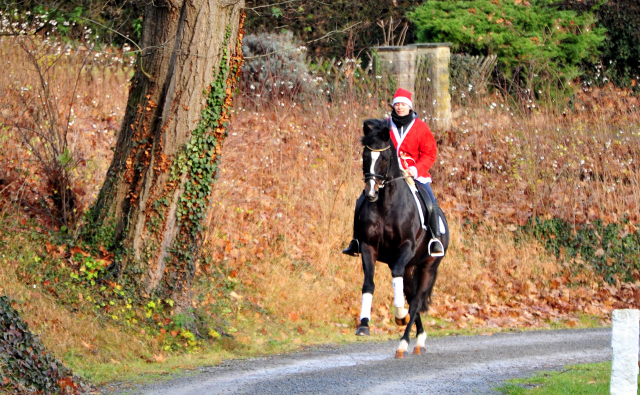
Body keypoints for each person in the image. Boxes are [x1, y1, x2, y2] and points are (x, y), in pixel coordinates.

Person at [342, 87, 445, 257]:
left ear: (410, 107)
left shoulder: (420, 127)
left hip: (413, 173)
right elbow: (372, 135)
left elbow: (430, 153)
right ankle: (356, 241)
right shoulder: (386, 125)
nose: (400, 107)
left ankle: (435, 239)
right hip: (388, 175)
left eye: (403, 104)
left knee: (430, 201)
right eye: (397, 104)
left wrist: (416, 169)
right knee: (361, 200)